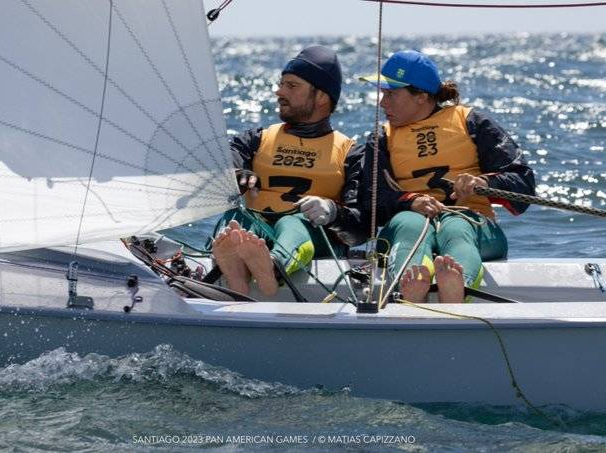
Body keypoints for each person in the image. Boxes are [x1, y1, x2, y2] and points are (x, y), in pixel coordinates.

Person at [358, 50, 536, 303]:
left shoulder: (473, 123)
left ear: (421, 96)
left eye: (391, 94)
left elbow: (524, 185)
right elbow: (369, 200)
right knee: (411, 222)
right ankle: (411, 286)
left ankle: (456, 287)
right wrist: (410, 201)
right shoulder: (381, 138)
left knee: (456, 225)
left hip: (475, 224)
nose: (382, 103)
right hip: (410, 226)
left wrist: (484, 183)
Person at [211, 45, 365, 296]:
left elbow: (361, 229)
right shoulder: (256, 139)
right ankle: (235, 274)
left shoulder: (351, 152)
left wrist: (333, 212)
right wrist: (236, 174)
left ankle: (272, 268)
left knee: (293, 223)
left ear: (322, 97)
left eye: (291, 86)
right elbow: (225, 158)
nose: (279, 92)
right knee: (233, 222)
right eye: (281, 84)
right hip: (258, 227)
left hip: (312, 235)